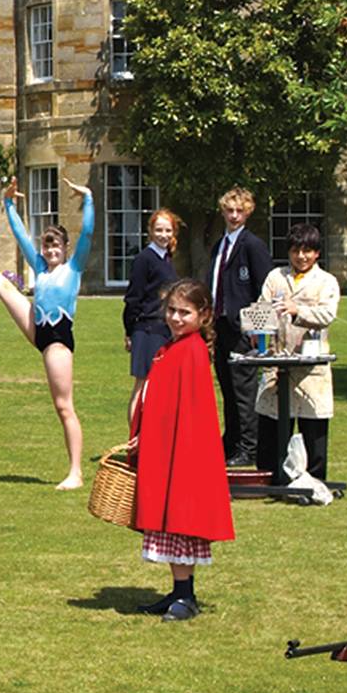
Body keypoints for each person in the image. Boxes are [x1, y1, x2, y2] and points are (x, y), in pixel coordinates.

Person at [0, 176, 93, 490]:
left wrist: (89, 200)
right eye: (47, 244)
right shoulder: (39, 268)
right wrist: (9, 202)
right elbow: (18, 233)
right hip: (37, 328)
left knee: (63, 404)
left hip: (57, 341)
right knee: (2, 286)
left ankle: (76, 472)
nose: (50, 249)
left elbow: (88, 233)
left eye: (55, 245)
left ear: (65, 248)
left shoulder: (74, 269)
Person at [129, 279, 235, 622]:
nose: (175, 317)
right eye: (171, 310)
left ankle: (185, 595)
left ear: (203, 315)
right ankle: (178, 590)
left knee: (182, 526)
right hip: (166, 448)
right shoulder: (172, 348)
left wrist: (158, 439)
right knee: (170, 526)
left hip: (184, 455)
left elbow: (188, 412)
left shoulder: (191, 351)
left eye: (184, 312)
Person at [254, 222, 340, 481]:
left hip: (310, 366)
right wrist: (256, 331)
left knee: (312, 426)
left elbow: (327, 314)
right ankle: (272, 476)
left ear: (316, 253)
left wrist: (297, 311)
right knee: (272, 424)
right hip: (277, 361)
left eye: (307, 251)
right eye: (295, 251)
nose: (301, 256)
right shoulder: (275, 277)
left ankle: (313, 482)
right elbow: (261, 308)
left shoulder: (326, 281)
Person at [207, 187, 271, 467]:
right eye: (229, 210)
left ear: (248, 212)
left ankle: (249, 447)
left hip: (242, 329)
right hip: (220, 326)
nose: (234, 216)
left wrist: (258, 332)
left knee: (244, 390)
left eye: (239, 211)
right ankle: (232, 441)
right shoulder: (219, 245)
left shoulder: (252, 245)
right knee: (228, 388)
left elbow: (264, 290)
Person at [123, 208, 180, 424]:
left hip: (164, 329)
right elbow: (133, 298)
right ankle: (134, 440)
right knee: (142, 385)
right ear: (150, 231)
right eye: (159, 230)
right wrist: (130, 331)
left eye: (168, 230)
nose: (163, 235)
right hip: (146, 329)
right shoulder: (144, 259)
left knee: (159, 387)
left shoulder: (167, 258)